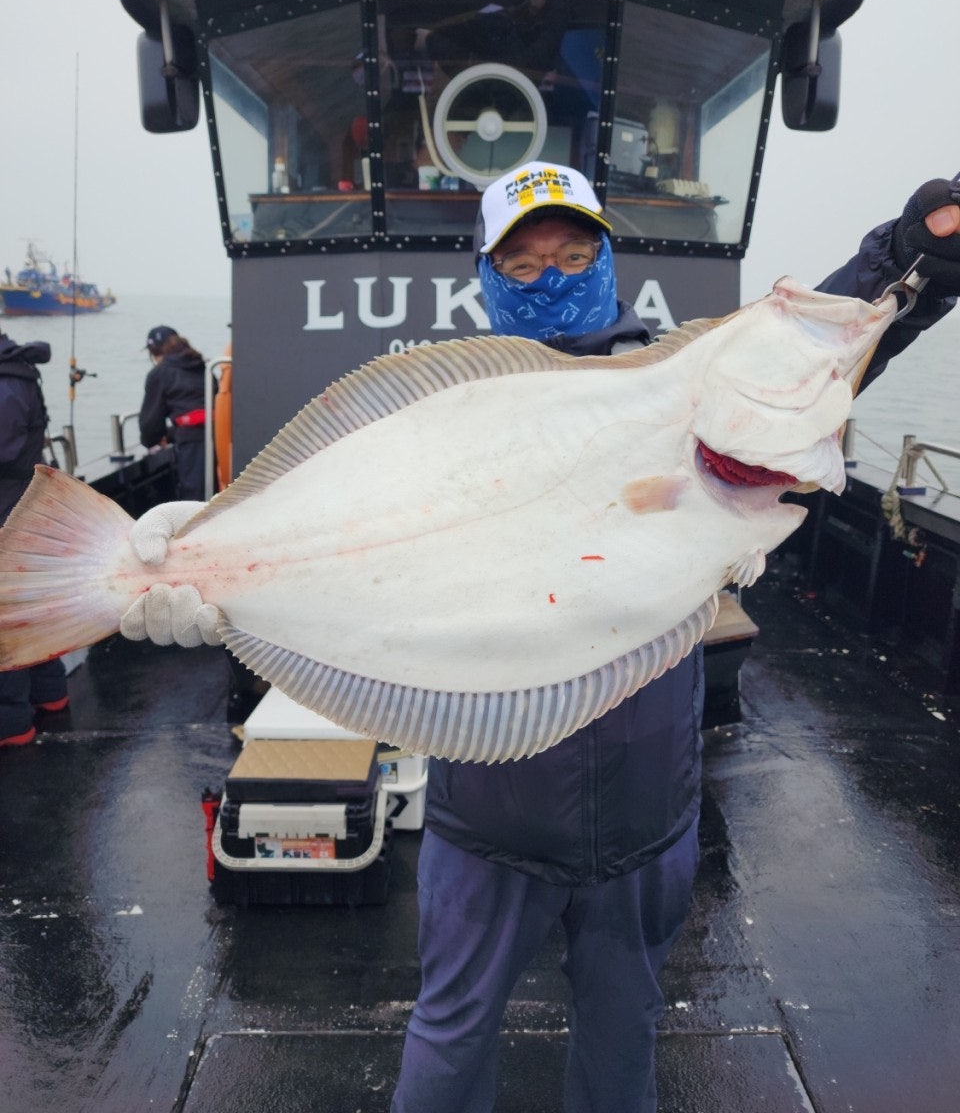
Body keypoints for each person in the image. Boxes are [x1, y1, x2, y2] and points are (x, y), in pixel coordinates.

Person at [117, 162, 960, 1110]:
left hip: (647, 815)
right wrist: (204, 558)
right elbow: (350, 532)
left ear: (610, 257)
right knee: (450, 1028)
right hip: (490, 818)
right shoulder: (448, 417)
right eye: (522, 265)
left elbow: (823, 341)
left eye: (574, 252)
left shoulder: (677, 380)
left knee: (624, 1030)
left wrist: (914, 253)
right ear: (483, 277)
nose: (551, 275)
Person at [0, 327, 67, 747]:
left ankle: (11, 725)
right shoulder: (17, 374)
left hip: (8, 505)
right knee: (31, 605)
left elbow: (4, 449)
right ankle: (51, 696)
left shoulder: (6, 384)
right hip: (23, 499)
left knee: (8, 614)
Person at [139, 325, 214, 502]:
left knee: (194, 501)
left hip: (192, 446)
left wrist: (152, 440)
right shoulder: (202, 367)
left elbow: (150, 425)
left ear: (154, 352)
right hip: (218, 436)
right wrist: (172, 434)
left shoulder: (159, 373)